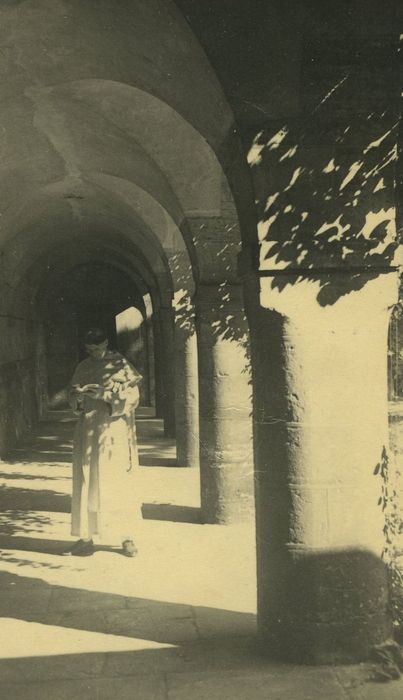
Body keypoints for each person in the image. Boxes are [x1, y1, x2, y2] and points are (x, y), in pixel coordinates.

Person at [66, 327, 142, 557]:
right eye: (90, 350)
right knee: (86, 479)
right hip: (88, 429)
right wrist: (77, 397)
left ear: (106, 343)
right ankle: (86, 537)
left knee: (116, 481)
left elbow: (133, 397)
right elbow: (72, 399)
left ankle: (126, 537)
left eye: (98, 348)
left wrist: (105, 396)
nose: (95, 353)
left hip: (113, 429)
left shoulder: (120, 365)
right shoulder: (83, 366)